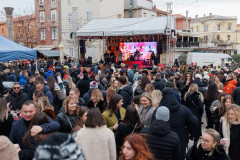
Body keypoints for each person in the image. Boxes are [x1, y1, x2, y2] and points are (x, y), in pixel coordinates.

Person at [151, 87, 198, 160]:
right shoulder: (183, 109)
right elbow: (195, 121)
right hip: (179, 140)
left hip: (162, 141)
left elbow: (152, 124)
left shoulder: (158, 110)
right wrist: (188, 130)